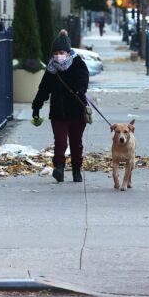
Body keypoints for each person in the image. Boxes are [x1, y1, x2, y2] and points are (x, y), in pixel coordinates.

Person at [31, 30, 90, 183]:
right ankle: (59, 168)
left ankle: (76, 170)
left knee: (76, 143)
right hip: (58, 113)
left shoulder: (77, 63)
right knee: (60, 142)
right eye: (56, 52)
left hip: (77, 111)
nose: (58, 55)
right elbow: (43, 89)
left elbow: (84, 79)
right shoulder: (51, 69)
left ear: (68, 52)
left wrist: (80, 89)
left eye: (61, 52)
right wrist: (36, 107)